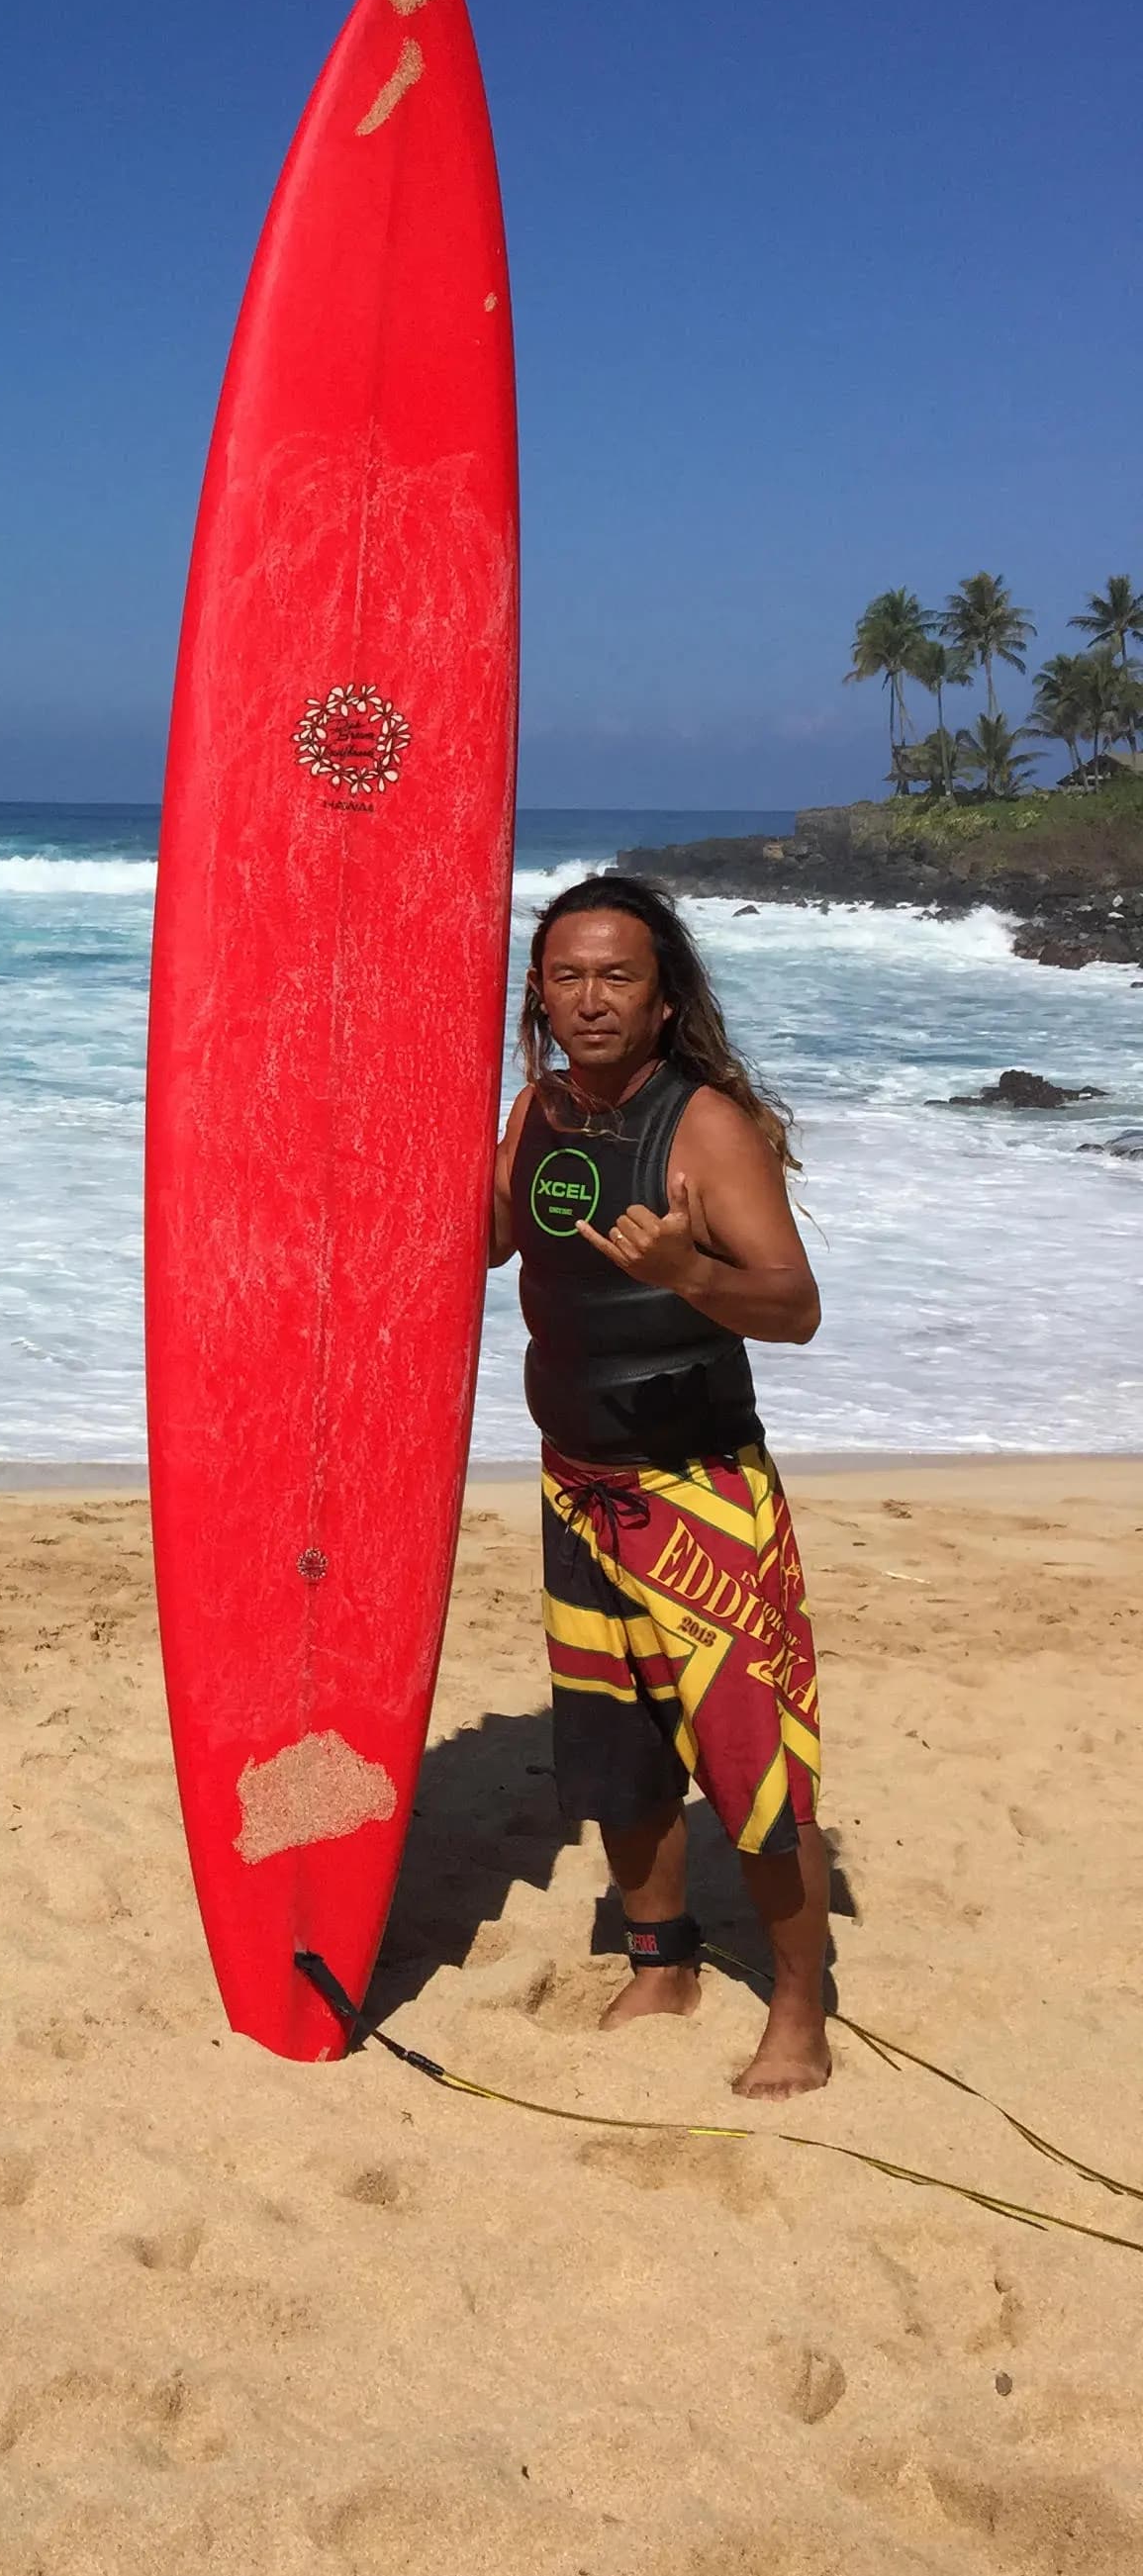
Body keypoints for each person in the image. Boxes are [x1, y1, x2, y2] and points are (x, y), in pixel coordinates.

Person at [489, 873, 829, 2098]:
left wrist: (693, 1272)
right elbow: (475, 1237)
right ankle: (662, 1959)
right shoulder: (537, 1113)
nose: (591, 1000)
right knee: (615, 1744)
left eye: (617, 976)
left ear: (664, 995)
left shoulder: (704, 1129)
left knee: (752, 1759)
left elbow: (793, 1305)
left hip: (699, 1492)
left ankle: (799, 2005)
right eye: (568, 976)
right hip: (577, 1482)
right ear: (539, 990)